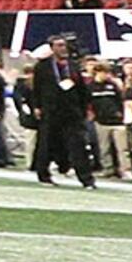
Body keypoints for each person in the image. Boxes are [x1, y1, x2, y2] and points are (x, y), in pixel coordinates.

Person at [28, 43, 95, 187]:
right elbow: (36, 89)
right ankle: (43, 175)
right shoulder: (43, 66)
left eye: (64, 45)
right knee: (46, 144)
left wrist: (87, 108)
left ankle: (86, 179)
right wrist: (37, 106)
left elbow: (82, 89)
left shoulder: (73, 66)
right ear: (52, 49)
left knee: (78, 145)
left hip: (72, 112)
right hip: (50, 111)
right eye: (59, 46)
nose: (63, 48)